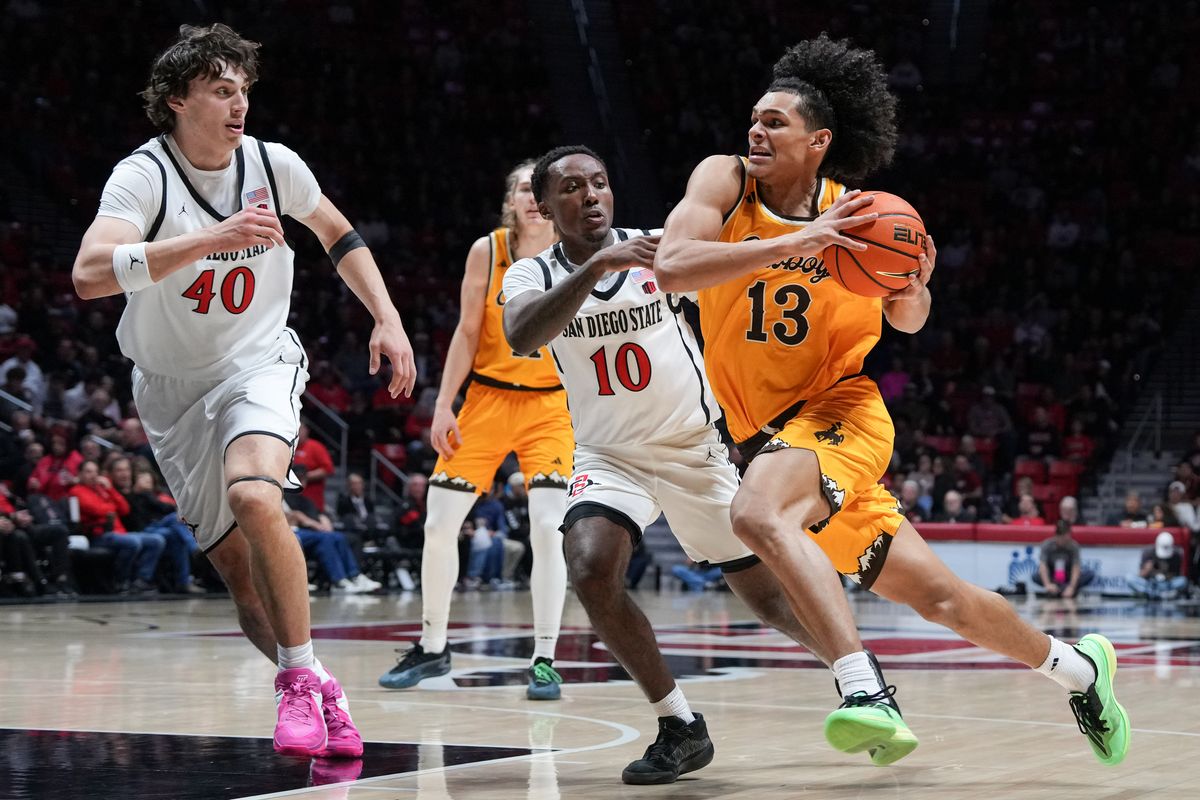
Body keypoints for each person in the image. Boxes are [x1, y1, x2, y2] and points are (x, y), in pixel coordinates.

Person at [654, 34, 1128, 766]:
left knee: (754, 513)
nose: (756, 130)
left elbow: (907, 320)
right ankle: (1081, 671)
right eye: (754, 117)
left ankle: (864, 689)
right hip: (767, 437)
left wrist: (913, 288)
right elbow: (675, 269)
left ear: (820, 142)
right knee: (941, 598)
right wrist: (796, 243)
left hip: (841, 414)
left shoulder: (866, 216)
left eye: (775, 122)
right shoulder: (724, 182)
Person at [71, 24, 416, 758]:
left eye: (245, 91)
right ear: (177, 101)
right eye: (222, 91)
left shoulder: (272, 163)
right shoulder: (145, 175)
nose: (239, 106)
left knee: (256, 494)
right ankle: (319, 682)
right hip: (168, 390)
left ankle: (293, 681)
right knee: (239, 579)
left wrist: (387, 319)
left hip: (257, 363)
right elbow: (89, 274)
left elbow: (339, 235)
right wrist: (207, 239)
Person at [503, 145, 886, 784]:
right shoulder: (530, 275)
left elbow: (731, 273)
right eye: (571, 188)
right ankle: (678, 724)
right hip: (609, 454)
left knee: (769, 603)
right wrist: (599, 265)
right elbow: (522, 336)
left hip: (694, 447)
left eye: (599, 182)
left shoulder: (660, 247)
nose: (591, 195)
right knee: (590, 566)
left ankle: (865, 682)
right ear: (544, 206)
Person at [379, 161, 572, 701]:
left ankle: (545, 659)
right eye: (523, 189)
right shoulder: (487, 251)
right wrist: (443, 404)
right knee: (439, 524)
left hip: (553, 407)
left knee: (547, 527)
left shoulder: (576, 249)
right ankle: (434, 650)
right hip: (486, 398)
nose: (533, 198)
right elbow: (466, 332)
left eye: (543, 190)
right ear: (509, 201)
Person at [68, 460, 166, 593]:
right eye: (88, 472)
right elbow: (98, 510)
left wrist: (110, 489)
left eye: (96, 472)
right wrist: (110, 507)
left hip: (119, 533)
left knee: (156, 540)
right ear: (79, 474)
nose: (93, 475)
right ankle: (121, 581)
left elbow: (125, 509)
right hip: (99, 535)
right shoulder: (77, 491)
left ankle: (141, 580)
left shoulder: (103, 489)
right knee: (133, 542)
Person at [283, 467, 380, 594]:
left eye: (304, 479)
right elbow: (293, 517)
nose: (302, 482)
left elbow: (315, 514)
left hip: (308, 533)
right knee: (328, 537)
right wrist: (307, 521)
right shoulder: (282, 495)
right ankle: (340, 580)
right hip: (291, 532)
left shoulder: (305, 499)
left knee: (335, 538)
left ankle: (351, 577)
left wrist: (322, 518)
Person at [1035, 520, 1094, 598]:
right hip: (1053, 577)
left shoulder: (1073, 546)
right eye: (1061, 538)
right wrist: (1047, 584)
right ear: (1056, 536)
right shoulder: (1047, 545)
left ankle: (1062, 590)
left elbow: (1075, 567)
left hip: (1068, 578)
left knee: (1089, 574)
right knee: (1035, 576)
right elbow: (1043, 565)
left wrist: (1071, 587)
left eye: (1066, 538)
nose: (1064, 541)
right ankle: (1056, 589)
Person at [1127, 531, 1186, 600]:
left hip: (1167, 584)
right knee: (1129, 578)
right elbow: (1140, 575)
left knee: (1183, 581)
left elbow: (1177, 575)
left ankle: (1159, 594)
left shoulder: (1176, 555)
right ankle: (1152, 594)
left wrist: (1165, 574)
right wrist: (1148, 569)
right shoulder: (1148, 552)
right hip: (1150, 583)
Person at [293, 423, 334, 512]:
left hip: (312, 498)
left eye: (300, 429)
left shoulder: (315, 446)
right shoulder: (290, 447)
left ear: (306, 431)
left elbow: (328, 469)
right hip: (291, 498)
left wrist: (304, 477)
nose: (297, 432)